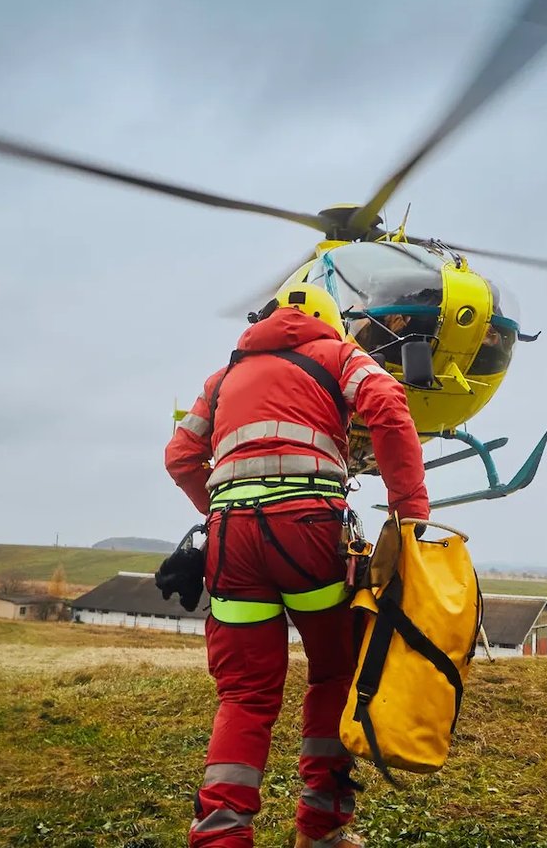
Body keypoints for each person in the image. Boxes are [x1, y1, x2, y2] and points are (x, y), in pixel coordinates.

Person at [166, 282, 431, 848]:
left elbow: (181, 457)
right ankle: (321, 826)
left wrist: (220, 511)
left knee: (243, 694)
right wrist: (409, 510)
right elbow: (387, 405)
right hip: (309, 531)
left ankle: (220, 835)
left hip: (230, 537)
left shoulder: (223, 378)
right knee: (334, 673)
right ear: (330, 321)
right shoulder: (337, 352)